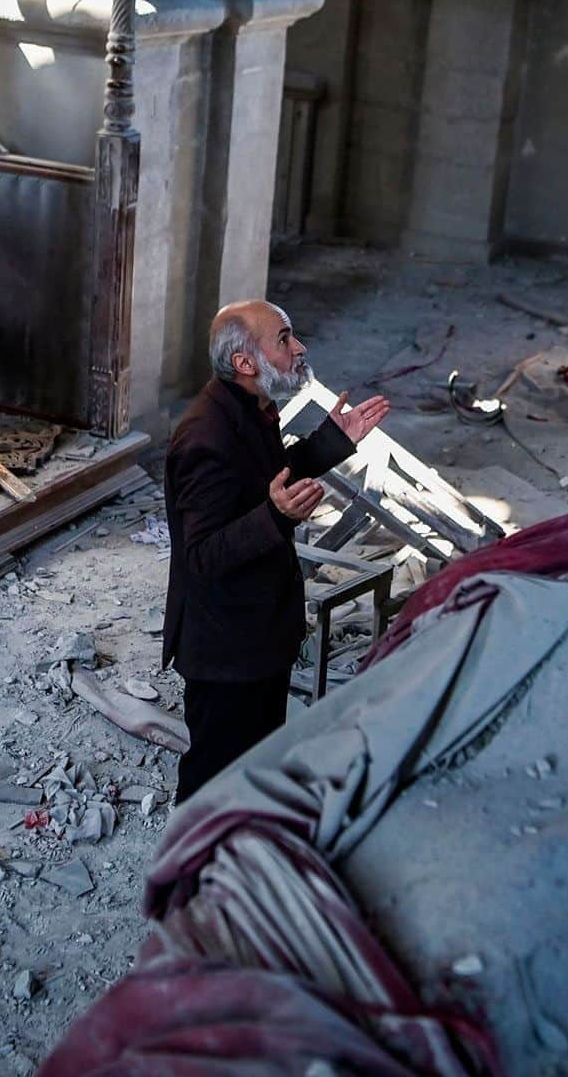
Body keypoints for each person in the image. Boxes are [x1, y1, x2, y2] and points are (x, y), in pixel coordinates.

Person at [162, 300, 389, 804]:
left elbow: (270, 477)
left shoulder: (250, 408)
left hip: (259, 632)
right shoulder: (207, 437)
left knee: (257, 763)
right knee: (213, 780)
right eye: (284, 339)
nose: (299, 347)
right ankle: (192, 874)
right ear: (246, 363)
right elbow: (201, 556)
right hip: (225, 649)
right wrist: (276, 517)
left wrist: (332, 443)